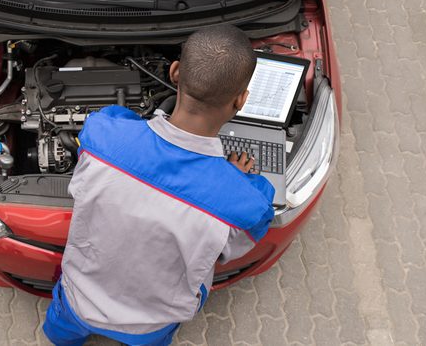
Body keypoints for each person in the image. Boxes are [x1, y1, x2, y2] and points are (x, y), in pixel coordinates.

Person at [43, 25, 275, 346]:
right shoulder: (245, 201)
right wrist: (233, 177)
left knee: (61, 331)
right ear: (242, 100)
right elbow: (232, 248)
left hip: (78, 297)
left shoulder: (103, 136)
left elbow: (113, 119)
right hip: (149, 324)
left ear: (175, 72)